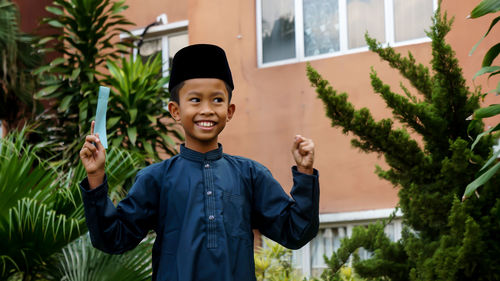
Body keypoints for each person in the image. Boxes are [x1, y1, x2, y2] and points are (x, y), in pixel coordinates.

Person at [79, 44, 319, 281]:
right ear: (175, 110)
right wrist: (96, 177)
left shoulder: (250, 175)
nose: (207, 110)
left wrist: (305, 173)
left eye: (217, 100)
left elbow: (295, 232)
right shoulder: (156, 179)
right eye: (195, 100)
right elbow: (113, 239)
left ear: (230, 110)